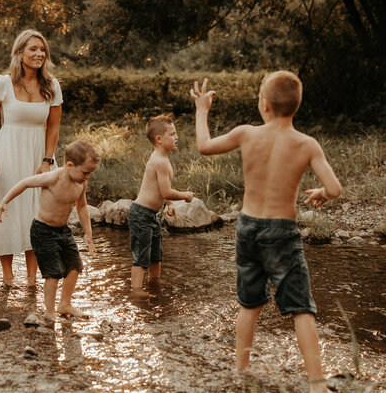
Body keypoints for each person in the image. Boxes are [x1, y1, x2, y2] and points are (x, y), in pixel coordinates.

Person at [190, 71, 342, 393]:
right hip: (282, 232)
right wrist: (322, 194)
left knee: (250, 304)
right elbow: (334, 188)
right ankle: (316, 384)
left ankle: (241, 371)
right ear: (295, 107)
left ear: (264, 105)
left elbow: (203, 146)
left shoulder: (247, 134)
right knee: (301, 308)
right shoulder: (306, 144)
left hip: (247, 226)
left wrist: (202, 110)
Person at [0, 29, 63, 287]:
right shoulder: (4, 82)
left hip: (38, 154)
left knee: (36, 212)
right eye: (33, 49)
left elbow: (54, 128)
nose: (39, 54)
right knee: (9, 208)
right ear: (20, 53)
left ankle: (33, 278)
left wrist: (47, 160)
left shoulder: (52, 86)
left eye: (42, 49)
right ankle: (8, 277)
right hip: (9, 151)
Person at [0, 140, 98, 321]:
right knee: (53, 273)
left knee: (75, 267)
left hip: (63, 230)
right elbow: (25, 183)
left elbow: (82, 207)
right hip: (43, 231)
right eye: (85, 172)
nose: (87, 177)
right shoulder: (53, 178)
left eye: (90, 173)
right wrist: (5, 200)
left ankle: (64, 304)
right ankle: (49, 312)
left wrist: (88, 234)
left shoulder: (81, 183)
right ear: (69, 165)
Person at [130, 115, 194, 296]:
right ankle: (136, 290)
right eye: (172, 134)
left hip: (151, 214)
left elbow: (161, 191)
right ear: (159, 139)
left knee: (156, 252)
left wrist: (169, 204)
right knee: (142, 253)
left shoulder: (163, 158)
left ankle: (154, 280)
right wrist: (185, 196)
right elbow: (166, 191)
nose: (177, 137)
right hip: (141, 214)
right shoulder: (159, 161)